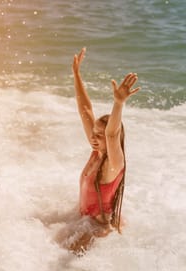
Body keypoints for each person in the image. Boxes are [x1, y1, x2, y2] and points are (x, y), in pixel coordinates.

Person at [62, 47, 140, 252]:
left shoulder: (114, 164)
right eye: (94, 133)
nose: (93, 138)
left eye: (99, 135)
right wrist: (76, 75)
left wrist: (118, 103)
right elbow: (85, 110)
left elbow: (112, 134)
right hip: (85, 222)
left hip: (98, 230)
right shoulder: (97, 151)